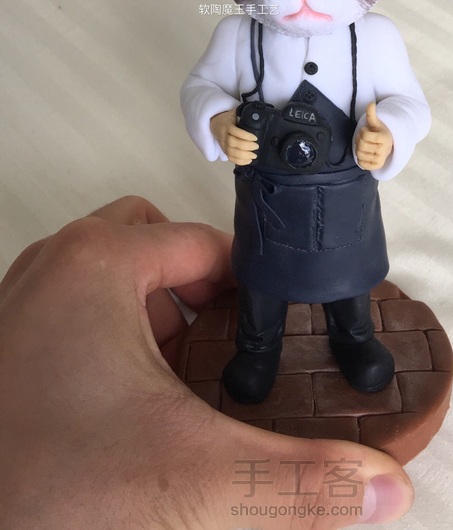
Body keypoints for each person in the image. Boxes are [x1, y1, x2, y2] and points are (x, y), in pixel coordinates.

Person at [0, 196, 414, 529]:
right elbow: (212, 115)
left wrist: (387, 137)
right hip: (266, 223)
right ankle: (258, 350)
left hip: (347, 221)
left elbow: (403, 120)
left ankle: (355, 338)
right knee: (260, 286)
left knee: (350, 283)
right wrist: (220, 127)